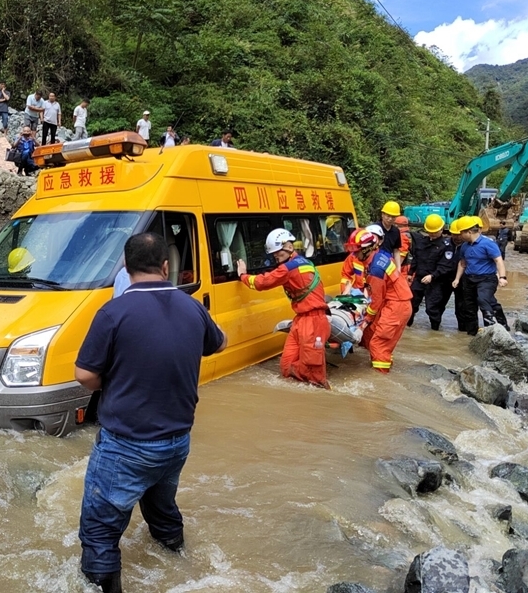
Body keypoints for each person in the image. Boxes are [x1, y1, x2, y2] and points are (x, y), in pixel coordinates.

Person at [76, 233, 227, 593]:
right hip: (176, 443)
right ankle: (183, 567)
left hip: (126, 445)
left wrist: (113, 382)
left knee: (100, 530)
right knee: (161, 509)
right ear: (165, 266)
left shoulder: (113, 312)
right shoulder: (192, 306)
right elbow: (219, 342)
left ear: (126, 268)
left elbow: (84, 375)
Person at [237, 228, 331, 388]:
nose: (275, 256)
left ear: (288, 247)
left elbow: (262, 283)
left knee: (314, 374)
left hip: (313, 321)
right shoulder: (303, 262)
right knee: (286, 366)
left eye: (277, 252)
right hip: (301, 319)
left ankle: (320, 395)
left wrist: (243, 275)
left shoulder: (288, 268)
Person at [356, 229, 413, 373]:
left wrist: (365, 321)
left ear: (366, 249)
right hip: (395, 302)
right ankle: (383, 365)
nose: (354, 254)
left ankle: (380, 382)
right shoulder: (379, 257)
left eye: (356, 251)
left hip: (396, 306)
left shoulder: (376, 269)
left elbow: (375, 300)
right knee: (375, 339)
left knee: (378, 344)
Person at [453, 216, 508, 334]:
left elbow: (498, 260)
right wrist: (457, 279)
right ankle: (472, 333)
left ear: (468, 232)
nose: (460, 236)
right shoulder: (464, 246)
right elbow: (462, 263)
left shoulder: (488, 244)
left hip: (487, 279)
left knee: (483, 299)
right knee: (469, 306)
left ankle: (491, 329)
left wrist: (502, 277)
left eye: (461, 232)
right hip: (469, 279)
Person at [407, 214, 449, 330]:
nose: (432, 234)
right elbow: (416, 258)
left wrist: (432, 276)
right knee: (411, 304)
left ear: (441, 229)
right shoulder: (421, 242)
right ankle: (407, 326)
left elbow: (444, 266)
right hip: (419, 279)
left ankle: (435, 330)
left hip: (435, 282)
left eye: (434, 232)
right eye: (430, 232)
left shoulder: (445, 246)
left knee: (432, 308)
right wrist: (411, 273)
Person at [372, 201, 404, 269]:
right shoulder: (374, 229)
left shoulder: (396, 231)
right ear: (382, 214)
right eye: (388, 216)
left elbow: (396, 250)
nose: (390, 219)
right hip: (373, 264)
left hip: (388, 264)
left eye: (393, 217)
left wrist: (398, 268)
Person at [339, 229, 367, 295]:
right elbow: (345, 275)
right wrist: (345, 291)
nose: (355, 254)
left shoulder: (378, 261)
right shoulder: (352, 257)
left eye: (357, 250)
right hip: (358, 292)